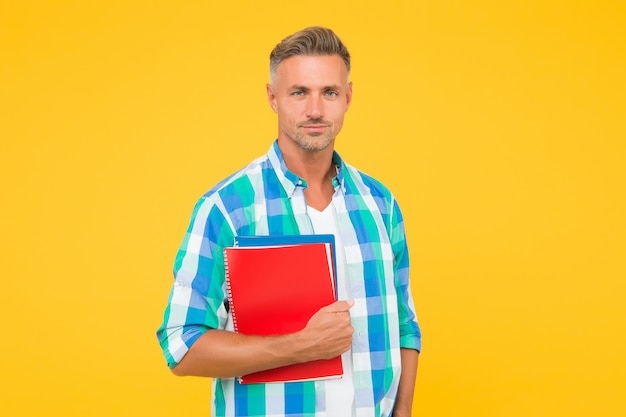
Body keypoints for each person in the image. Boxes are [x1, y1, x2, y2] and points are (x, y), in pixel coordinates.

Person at [156, 26, 421, 417]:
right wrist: (301, 346)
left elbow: (404, 324)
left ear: (347, 98)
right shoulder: (227, 208)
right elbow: (181, 346)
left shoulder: (381, 204)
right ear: (273, 98)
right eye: (299, 92)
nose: (315, 110)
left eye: (329, 92)